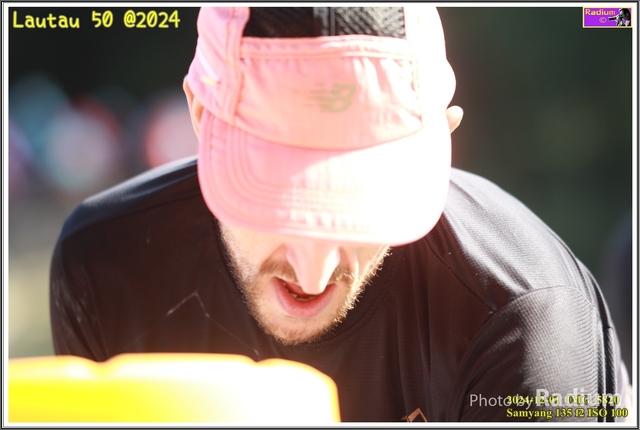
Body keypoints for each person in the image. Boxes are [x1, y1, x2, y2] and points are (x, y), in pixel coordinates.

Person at [50, 6, 631, 422]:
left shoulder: (523, 321)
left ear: (443, 142)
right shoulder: (106, 270)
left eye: (359, 204)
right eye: (278, 198)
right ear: (200, 115)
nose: (313, 272)